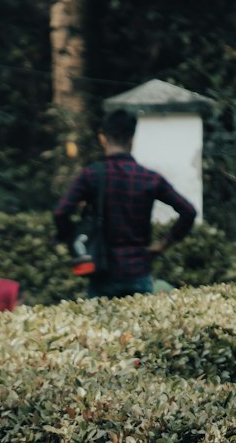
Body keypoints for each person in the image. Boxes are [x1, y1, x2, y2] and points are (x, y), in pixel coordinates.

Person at [53, 107, 197, 299]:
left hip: (103, 271)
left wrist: (74, 239)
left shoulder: (91, 175)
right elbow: (188, 212)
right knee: (140, 326)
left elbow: (60, 213)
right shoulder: (149, 178)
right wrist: (162, 244)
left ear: (102, 138)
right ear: (132, 138)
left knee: (100, 328)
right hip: (139, 271)